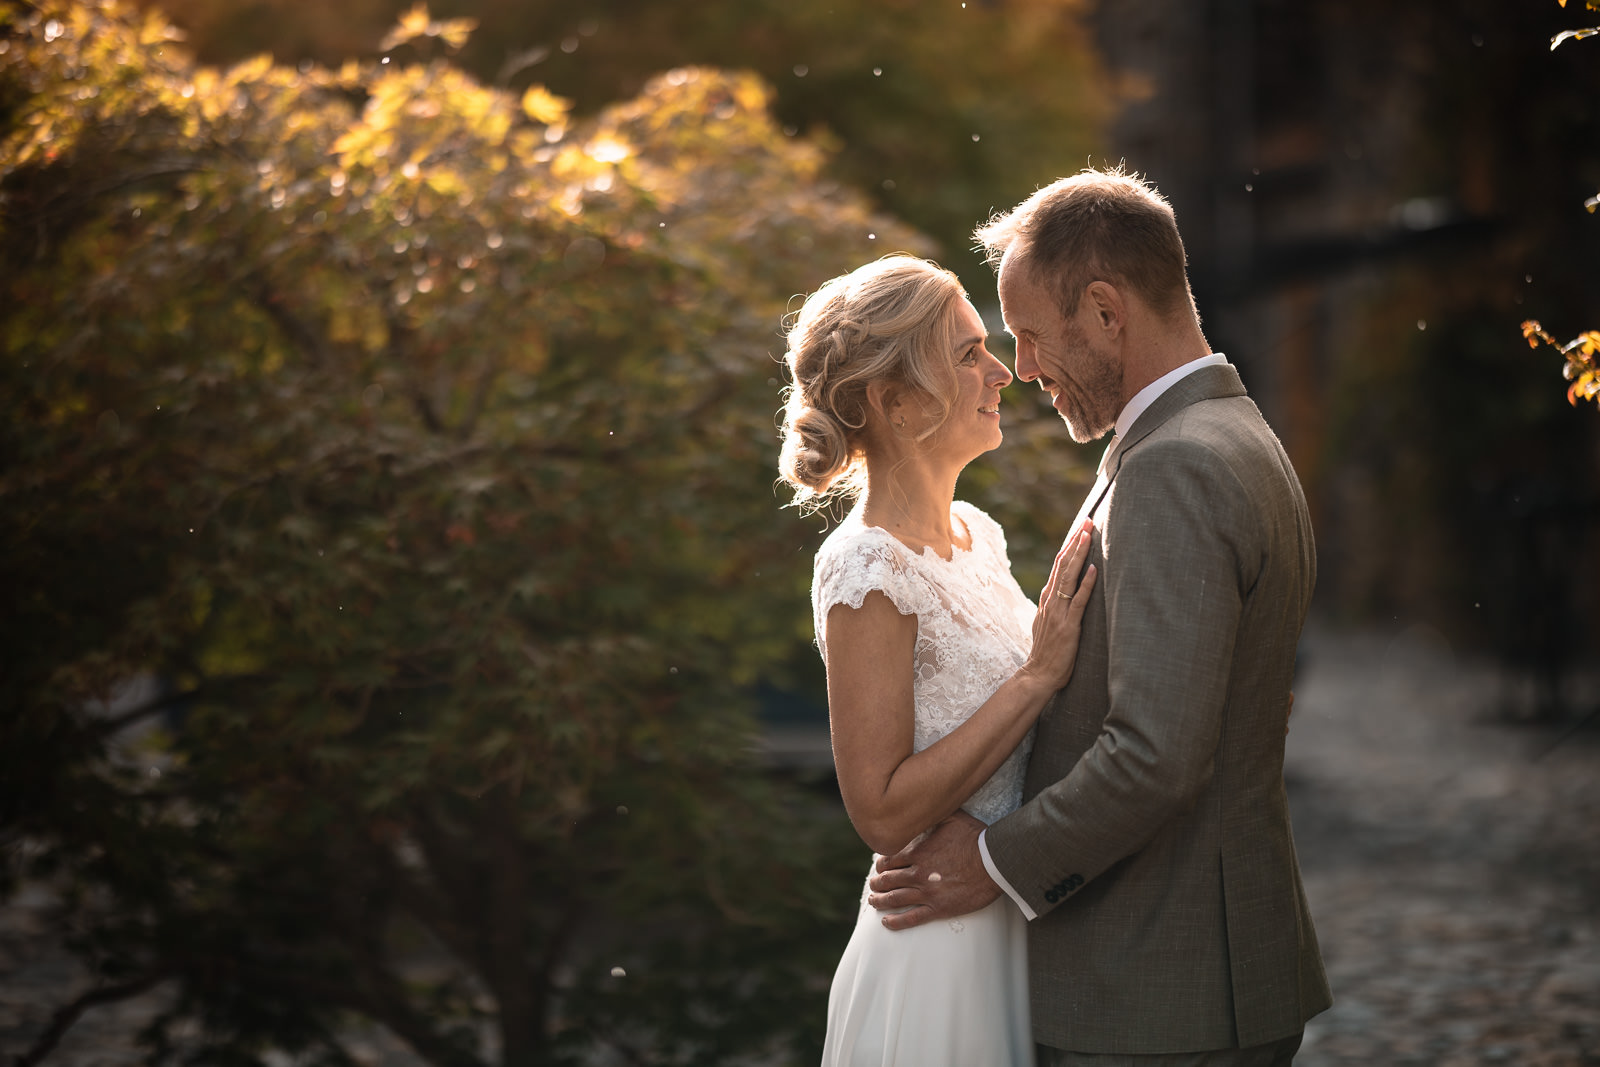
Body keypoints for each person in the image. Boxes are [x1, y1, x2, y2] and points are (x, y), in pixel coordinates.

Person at [865, 167, 1332, 1065]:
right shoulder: (1227, 432)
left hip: (1156, 991)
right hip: (1190, 971)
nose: (1024, 368)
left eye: (1034, 336)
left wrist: (994, 858)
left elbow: (1155, 754)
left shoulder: (1176, 466)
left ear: (1108, 313)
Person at [777, 254, 1098, 1067]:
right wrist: (1035, 678)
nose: (1001, 372)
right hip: (938, 951)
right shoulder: (865, 569)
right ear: (892, 401)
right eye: (966, 353)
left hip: (1014, 920)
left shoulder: (976, 535)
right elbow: (880, 812)